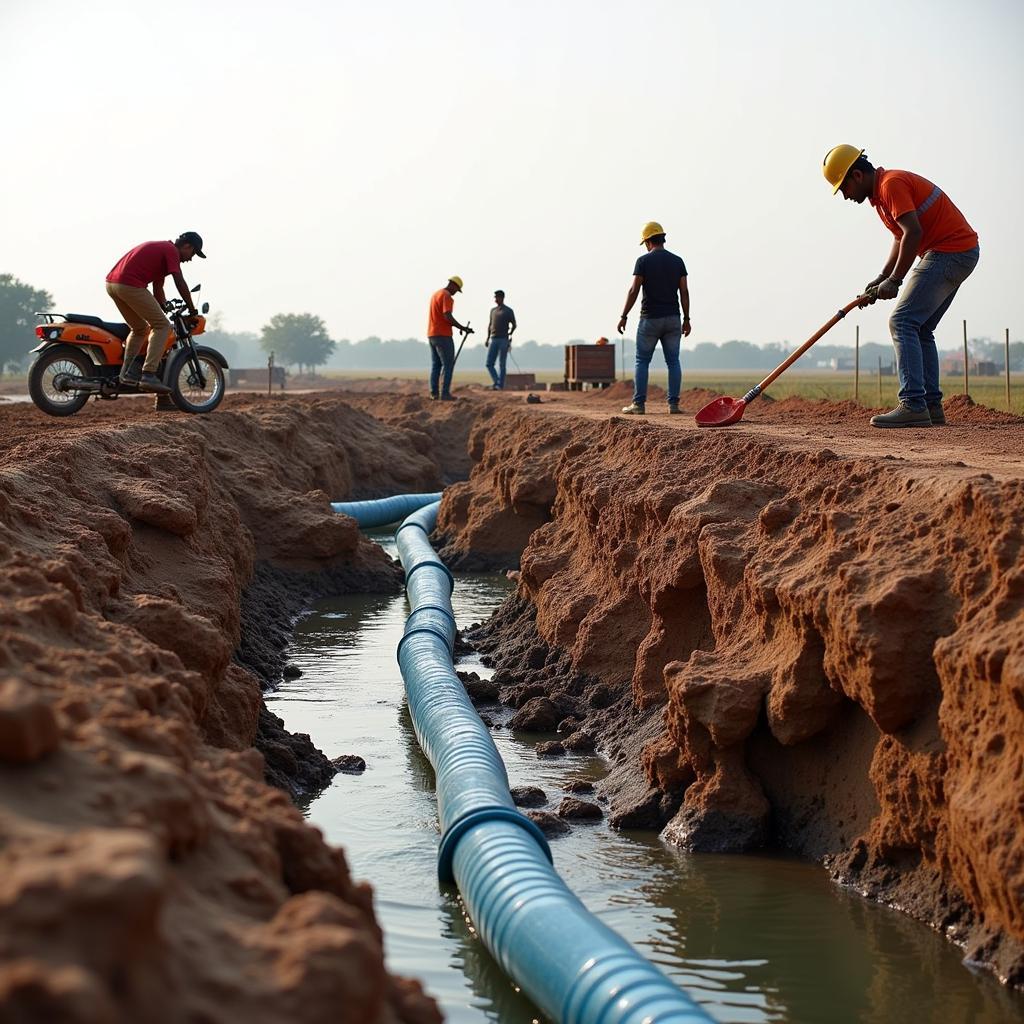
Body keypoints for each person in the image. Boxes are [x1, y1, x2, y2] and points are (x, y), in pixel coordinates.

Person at [824, 146, 979, 428]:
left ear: (857, 175)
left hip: (949, 251)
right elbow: (900, 237)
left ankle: (913, 404)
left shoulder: (890, 185)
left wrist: (895, 281)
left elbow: (913, 232)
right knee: (920, 328)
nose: (845, 196)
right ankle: (931, 407)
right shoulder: (881, 196)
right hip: (960, 252)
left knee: (902, 321)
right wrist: (882, 276)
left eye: (843, 187)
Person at [105, 232, 205, 394]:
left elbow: (158, 287)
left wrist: (163, 306)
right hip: (129, 284)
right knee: (163, 326)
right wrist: (192, 309)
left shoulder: (163, 249)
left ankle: (127, 374)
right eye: (193, 253)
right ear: (187, 246)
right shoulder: (171, 251)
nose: (190, 258)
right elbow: (179, 281)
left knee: (140, 329)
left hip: (113, 284)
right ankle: (148, 373)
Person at [617, 221, 691, 415]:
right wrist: (687, 319)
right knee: (673, 361)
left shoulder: (643, 261)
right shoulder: (678, 261)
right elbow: (684, 292)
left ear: (649, 241)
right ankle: (673, 405)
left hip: (650, 319)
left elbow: (634, 290)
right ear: (662, 239)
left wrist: (624, 315)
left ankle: (638, 404)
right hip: (673, 319)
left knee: (642, 361)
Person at [426, 276, 473, 401]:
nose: (455, 293)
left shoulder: (436, 294)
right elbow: (447, 315)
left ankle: (434, 393)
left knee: (436, 365)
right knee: (448, 365)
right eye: (456, 290)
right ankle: (445, 394)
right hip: (443, 335)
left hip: (432, 334)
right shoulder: (446, 296)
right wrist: (462, 328)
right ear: (453, 285)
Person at [485, 289, 516, 389]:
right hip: (493, 339)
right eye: (495, 297)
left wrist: (510, 333)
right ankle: (497, 382)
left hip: (503, 339)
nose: (495, 299)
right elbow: (490, 325)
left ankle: (500, 385)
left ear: (502, 298)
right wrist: (487, 338)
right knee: (489, 363)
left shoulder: (508, 311)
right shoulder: (493, 311)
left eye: (497, 297)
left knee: (502, 364)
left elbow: (514, 324)